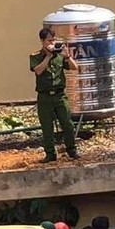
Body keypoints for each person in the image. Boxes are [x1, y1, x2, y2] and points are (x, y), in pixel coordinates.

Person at [30, 27, 79, 163]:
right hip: (45, 96)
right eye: (49, 40)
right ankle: (50, 154)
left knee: (67, 124)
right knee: (47, 126)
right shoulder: (35, 56)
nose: (52, 43)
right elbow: (38, 71)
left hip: (59, 96)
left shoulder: (60, 56)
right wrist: (48, 56)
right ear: (42, 41)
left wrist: (66, 55)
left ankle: (72, 150)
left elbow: (74, 67)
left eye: (54, 39)